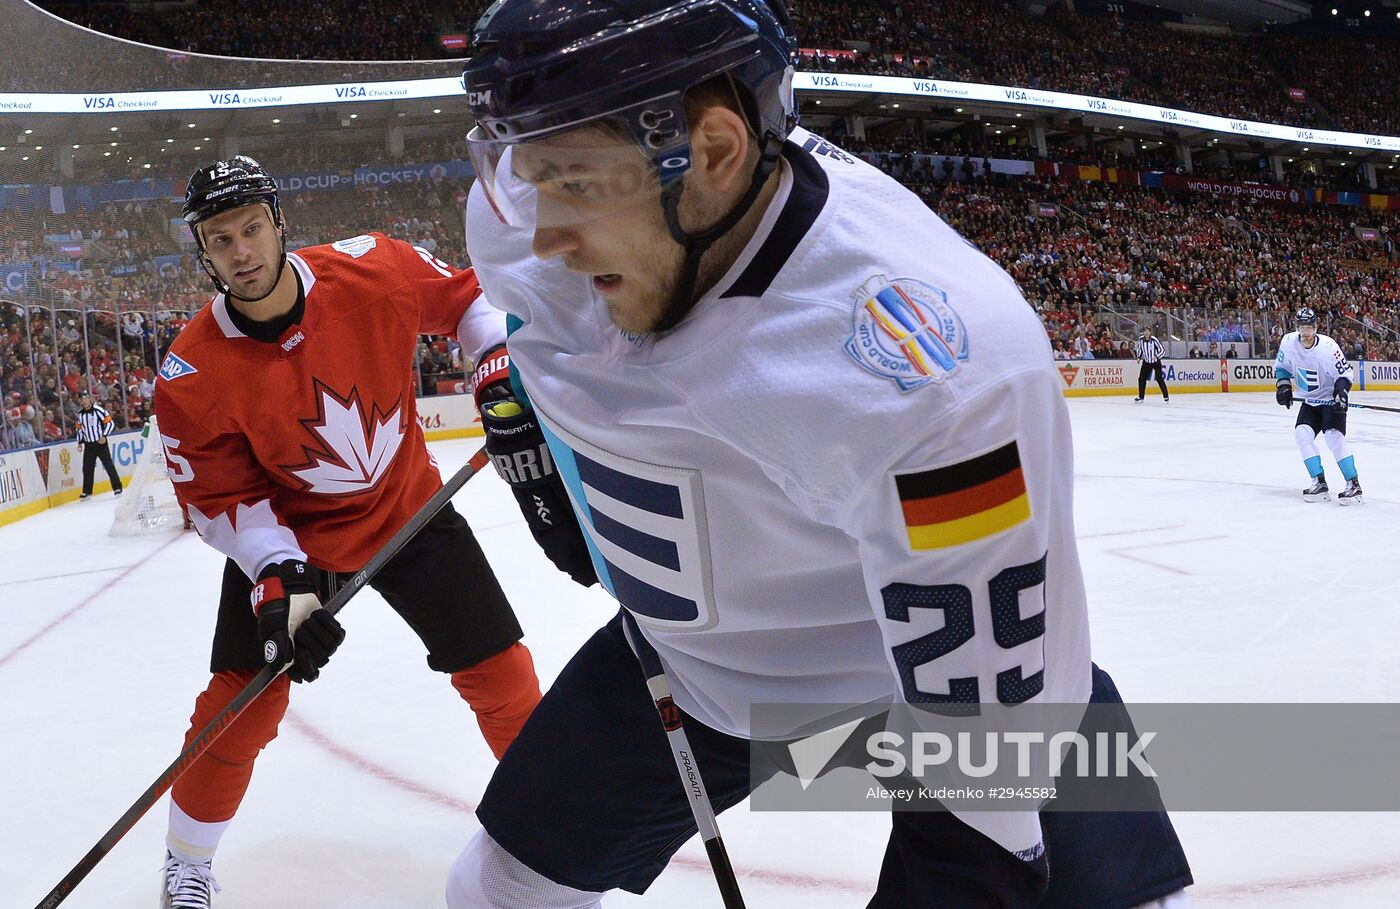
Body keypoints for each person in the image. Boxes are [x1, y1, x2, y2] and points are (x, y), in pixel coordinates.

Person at [451, 2, 1192, 907]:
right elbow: (529, 321)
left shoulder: (937, 379)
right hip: (703, 667)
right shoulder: (522, 229)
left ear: (714, 152)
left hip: (927, 672)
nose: (540, 237)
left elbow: (984, 800)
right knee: (499, 889)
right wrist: (521, 398)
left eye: (570, 182)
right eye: (522, 177)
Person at [152, 156, 542, 908]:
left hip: (412, 514)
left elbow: (467, 299)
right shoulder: (190, 373)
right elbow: (218, 498)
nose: (242, 250)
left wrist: (494, 359)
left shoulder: (373, 272)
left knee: (503, 677)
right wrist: (277, 573)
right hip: (296, 541)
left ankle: (555, 827)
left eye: (252, 228)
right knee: (241, 703)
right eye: (221, 237)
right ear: (202, 251)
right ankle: (186, 861)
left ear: (279, 223)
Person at [1274, 307, 1362, 504]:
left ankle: (1353, 485)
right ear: (1297, 328)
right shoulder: (1288, 343)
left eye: (1310, 328)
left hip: (1330, 400)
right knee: (1302, 434)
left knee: (1333, 437)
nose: (1306, 333)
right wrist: (1284, 387)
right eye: (1302, 328)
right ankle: (1319, 481)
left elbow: (1345, 375)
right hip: (1310, 401)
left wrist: (1341, 393)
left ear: (1316, 328)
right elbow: (1282, 369)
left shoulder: (1328, 348)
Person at [74, 392, 122, 497]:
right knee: (87, 468)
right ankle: (87, 491)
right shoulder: (80, 414)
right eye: (82, 399)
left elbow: (110, 423)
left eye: (86, 398)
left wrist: (104, 436)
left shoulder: (98, 410)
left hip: (100, 444)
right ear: (80, 401)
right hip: (88, 444)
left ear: (90, 399)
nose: (85, 401)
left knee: (109, 465)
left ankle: (117, 487)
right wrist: (80, 442)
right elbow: (79, 429)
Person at [1134, 326, 1169, 402]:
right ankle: (1141, 396)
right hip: (1146, 362)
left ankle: (1166, 396)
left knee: (1159, 378)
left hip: (1155, 362)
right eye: (1145, 331)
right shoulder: (1141, 339)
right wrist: (1139, 357)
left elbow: (1162, 350)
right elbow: (1140, 348)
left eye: (1148, 331)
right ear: (1143, 332)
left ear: (1150, 332)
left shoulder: (1154, 340)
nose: (1146, 333)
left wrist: (1157, 356)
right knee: (1141, 379)